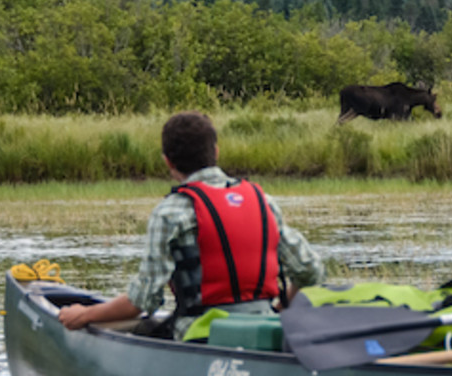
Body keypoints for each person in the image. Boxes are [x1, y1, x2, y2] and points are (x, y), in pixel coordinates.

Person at [58, 111, 325, 340]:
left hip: (200, 333)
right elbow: (311, 271)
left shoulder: (170, 212)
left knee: (140, 327)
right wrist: (279, 308)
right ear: (216, 152)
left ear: (167, 161)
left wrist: (84, 314)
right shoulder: (263, 202)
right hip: (266, 327)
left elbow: (141, 302)